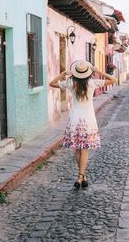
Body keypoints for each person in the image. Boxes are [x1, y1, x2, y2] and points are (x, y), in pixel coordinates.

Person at [49, 60, 116, 189]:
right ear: (88, 72)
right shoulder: (92, 82)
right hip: (88, 120)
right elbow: (113, 80)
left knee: (78, 149)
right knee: (84, 149)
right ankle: (81, 176)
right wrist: (98, 71)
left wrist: (62, 74)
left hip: (75, 119)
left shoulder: (70, 82)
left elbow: (52, 83)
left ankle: (81, 176)